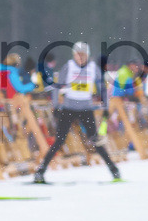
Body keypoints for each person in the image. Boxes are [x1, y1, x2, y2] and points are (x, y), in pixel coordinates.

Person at [32, 42, 121, 184]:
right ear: (73, 55)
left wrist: (106, 108)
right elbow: (56, 87)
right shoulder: (68, 67)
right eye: (78, 54)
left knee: (95, 141)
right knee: (59, 140)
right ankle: (40, 172)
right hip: (69, 108)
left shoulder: (93, 68)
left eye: (83, 54)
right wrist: (56, 106)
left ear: (87, 55)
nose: (80, 57)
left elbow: (102, 89)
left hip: (86, 109)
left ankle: (114, 171)